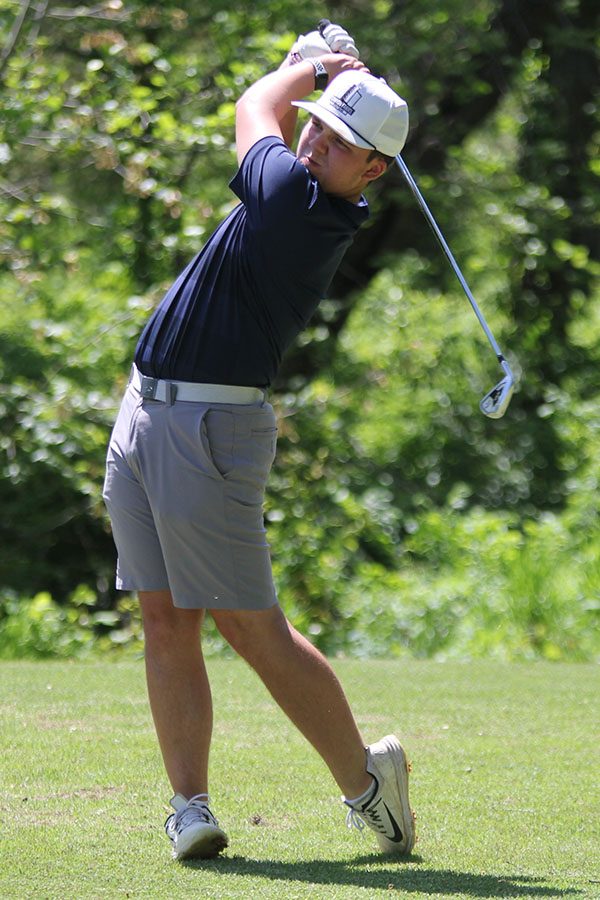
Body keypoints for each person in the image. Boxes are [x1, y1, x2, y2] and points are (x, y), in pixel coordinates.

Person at [103, 22, 415, 861]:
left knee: (249, 627)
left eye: (342, 139)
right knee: (165, 618)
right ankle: (190, 806)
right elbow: (275, 115)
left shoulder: (301, 207)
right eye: (317, 123)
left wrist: (305, 66)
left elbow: (252, 107)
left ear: (373, 169)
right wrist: (309, 73)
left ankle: (366, 785)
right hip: (147, 412)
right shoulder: (299, 180)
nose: (317, 141)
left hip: (206, 428)